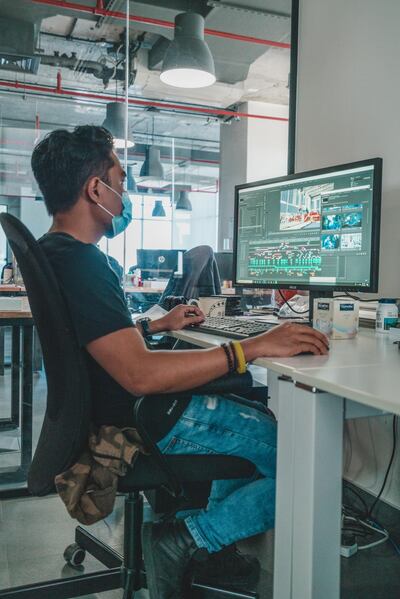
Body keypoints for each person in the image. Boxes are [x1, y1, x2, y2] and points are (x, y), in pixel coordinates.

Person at [31, 126, 329, 599]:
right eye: (121, 181)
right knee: (301, 456)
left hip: (112, 410)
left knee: (258, 425)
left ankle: (212, 542)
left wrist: (153, 327)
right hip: (144, 415)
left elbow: (89, 339)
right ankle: (191, 540)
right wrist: (251, 347)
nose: (124, 193)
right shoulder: (87, 264)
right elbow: (142, 374)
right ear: (95, 189)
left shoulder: (53, 253)